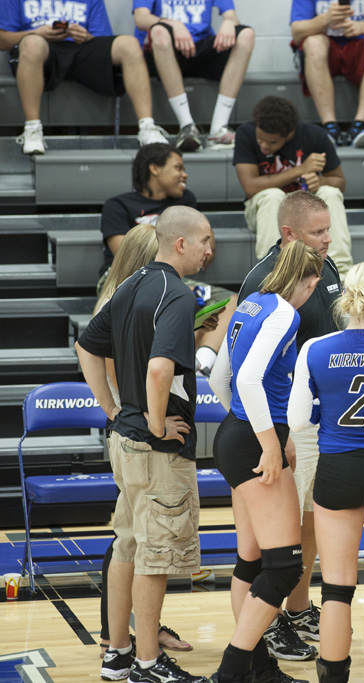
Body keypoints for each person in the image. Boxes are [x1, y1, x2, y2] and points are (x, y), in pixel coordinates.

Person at [76, 205, 212, 683]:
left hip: (124, 440)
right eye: (205, 241)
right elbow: (159, 369)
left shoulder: (130, 284)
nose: (210, 250)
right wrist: (157, 424)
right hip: (154, 450)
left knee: (128, 547)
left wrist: (113, 410)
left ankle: (118, 655)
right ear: (180, 243)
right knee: (155, 557)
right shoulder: (176, 294)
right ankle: (150, 663)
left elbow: (87, 346)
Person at [288, 261, 364, 683]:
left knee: (338, 589)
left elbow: (299, 420)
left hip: (337, 470)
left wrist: (331, 409)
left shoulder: (316, 348)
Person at [236, 191, 346, 662]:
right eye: (318, 232)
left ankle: (298, 609)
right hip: (287, 421)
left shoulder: (330, 267)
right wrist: (273, 435)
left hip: (324, 416)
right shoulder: (262, 283)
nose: (327, 239)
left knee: (310, 519)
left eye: (328, 228)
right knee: (276, 536)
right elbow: (243, 370)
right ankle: (272, 622)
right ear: (288, 235)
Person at [207, 240, 323, 683]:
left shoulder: (251, 302)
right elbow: (251, 377)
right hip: (254, 442)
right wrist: (269, 441)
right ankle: (233, 671)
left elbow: (221, 375)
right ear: (307, 281)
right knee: (284, 566)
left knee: (250, 560)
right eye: (313, 284)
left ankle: (257, 666)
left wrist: (251, 425)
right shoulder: (284, 313)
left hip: (233, 435)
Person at [100, 143, 237, 377]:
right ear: (154, 168)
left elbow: (208, 249)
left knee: (229, 302)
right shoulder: (118, 205)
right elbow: (128, 255)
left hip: (176, 278)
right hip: (125, 278)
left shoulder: (186, 200)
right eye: (178, 167)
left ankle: (201, 365)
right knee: (176, 302)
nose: (185, 174)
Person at [0, 0, 168, 155]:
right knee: (32, 43)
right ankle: (32, 130)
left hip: (80, 49)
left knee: (129, 44)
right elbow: (3, 40)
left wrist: (86, 37)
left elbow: (102, 40)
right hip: (42, 51)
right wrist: (35, 33)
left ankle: (147, 127)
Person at [233, 95, 352, 273]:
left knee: (330, 192)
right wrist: (299, 170)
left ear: (289, 134)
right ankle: (273, 273)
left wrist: (320, 181)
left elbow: (340, 182)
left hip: (307, 215)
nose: (263, 145)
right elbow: (250, 187)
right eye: (260, 138)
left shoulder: (314, 135)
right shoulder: (245, 133)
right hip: (265, 212)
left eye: (272, 142)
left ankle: (339, 273)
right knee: (272, 195)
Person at [132, 0, 254, 151]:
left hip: (199, 48)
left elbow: (231, 16)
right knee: (159, 31)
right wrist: (173, 24)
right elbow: (141, 18)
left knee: (246, 34)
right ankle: (187, 127)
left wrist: (229, 22)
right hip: (165, 51)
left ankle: (218, 130)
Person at [289, 0, 364, 147]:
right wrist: (325, 19)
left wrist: (363, 27)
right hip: (326, 51)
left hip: (361, 50)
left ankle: (360, 125)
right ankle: (329, 126)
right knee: (313, 42)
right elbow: (296, 33)